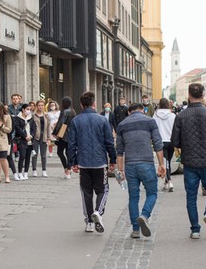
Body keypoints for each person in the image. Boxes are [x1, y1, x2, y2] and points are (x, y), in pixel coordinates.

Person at [171, 83, 206, 240]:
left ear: (188, 96)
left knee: (191, 196)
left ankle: (195, 229)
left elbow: (175, 141)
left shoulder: (181, 116)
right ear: (203, 96)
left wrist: (186, 143)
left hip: (190, 162)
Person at [67, 92, 117, 233]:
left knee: (86, 192)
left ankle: (89, 221)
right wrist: (112, 159)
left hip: (83, 161)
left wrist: (73, 162)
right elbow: (109, 142)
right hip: (100, 161)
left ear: (81, 105)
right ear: (94, 104)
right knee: (103, 189)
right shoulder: (102, 120)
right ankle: (98, 212)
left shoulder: (76, 121)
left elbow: (72, 144)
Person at [116, 103, 166, 238]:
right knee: (152, 193)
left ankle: (136, 230)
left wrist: (120, 170)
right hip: (146, 163)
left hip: (130, 165)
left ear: (129, 112)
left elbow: (119, 151)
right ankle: (144, 215)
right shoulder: (150, 121)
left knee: (133, 197)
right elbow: (158, 143)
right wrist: (162, 164)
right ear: (142, 110)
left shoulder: (122, 125)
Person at [153, 98, 176, 192]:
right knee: (167, 161)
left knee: (164, 162)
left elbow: (153, 128)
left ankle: (168, 181)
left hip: (160, 141)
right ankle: (168, 181)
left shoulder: (155, 115)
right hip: (171, 141)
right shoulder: (172, 115)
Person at [53, 97, 77, 179]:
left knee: (60, 152)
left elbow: (61, 123)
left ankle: (66, 169)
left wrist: (55, 132)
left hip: (64, 134)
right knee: (68, 152)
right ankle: (69, 170)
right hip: (71, 134)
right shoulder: (73, 111)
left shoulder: (64, 111)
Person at [12, 103, 36, 180]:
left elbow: (34, 129)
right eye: (27, 109)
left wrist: (31, 136)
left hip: (30, 141)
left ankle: (26, 172)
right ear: (23, 109)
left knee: (28, 157)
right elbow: (17, 128)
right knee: (22, 156)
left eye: (30, 110)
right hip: (22, 140)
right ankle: (19, 172)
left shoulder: (31, 118)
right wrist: (25, 136)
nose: (29, 111)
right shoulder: (17, 118)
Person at [31, 100, 50, 177]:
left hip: (44, 136)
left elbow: (48, 127)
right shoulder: (33, 115)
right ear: (36, 106)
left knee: (43, 155)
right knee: (34, 154)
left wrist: (49, 138)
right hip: (35, 136)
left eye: (42, 105)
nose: (40, 107)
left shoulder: (46, 115)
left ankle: (44, 170)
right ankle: (34, 170)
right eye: (39, 105)